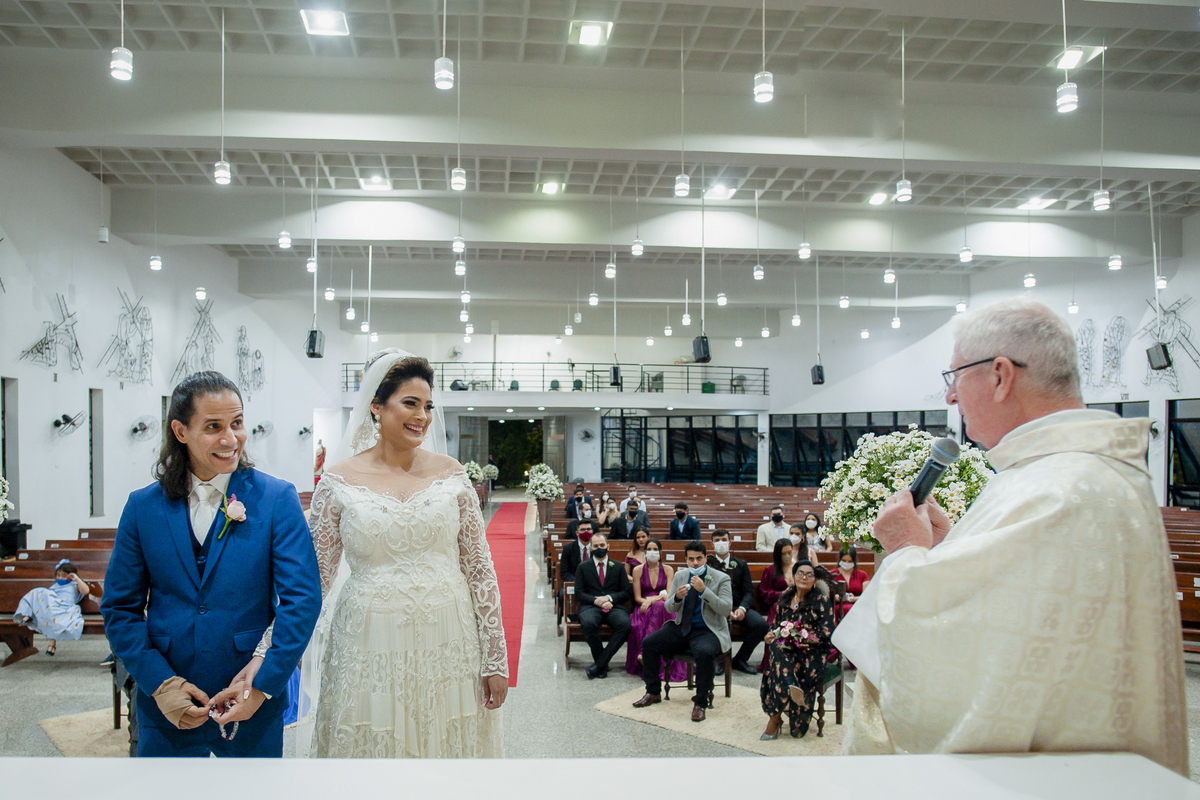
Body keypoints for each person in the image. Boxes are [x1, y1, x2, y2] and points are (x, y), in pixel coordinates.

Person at [835, 298, 1187, 775]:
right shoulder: (1070, 475)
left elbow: (958, 671)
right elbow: (1021, 621)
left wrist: (905, 552)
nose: (950, 398)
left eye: (954, 376)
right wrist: (944, 553)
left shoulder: (1057, 488)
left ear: (1000, 375)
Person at [101, 371, 322, 758]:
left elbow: (302, 600)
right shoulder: (142, 507)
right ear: (180, 431)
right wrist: (160, 684)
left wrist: (264, 683)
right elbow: (120, 609)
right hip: (168, 705)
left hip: (248, 699)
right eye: (213, 427)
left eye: (237, 423)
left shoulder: (276, 500)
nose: (230, 439)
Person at [300, 352, 508, 757]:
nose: (422, 416)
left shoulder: (452, 475)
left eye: (428, 405)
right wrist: (267, 651)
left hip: (449, 639)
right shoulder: (338, 481)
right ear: (376, 407)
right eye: (410, 403)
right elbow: (314, 580)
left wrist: (495, 659)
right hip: (367, 643)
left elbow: (480, 571)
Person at [633, 541, 732, 723]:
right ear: (686, 559)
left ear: (705, 558)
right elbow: (670, 608)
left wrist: (705, 591)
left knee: (703, 652)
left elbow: (726, 609)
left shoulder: (721, 578)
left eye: (699, 559)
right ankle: (653, 691)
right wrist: (677, 597)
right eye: (691, 559)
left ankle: (700, 703)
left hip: (708, 630)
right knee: (649, 643)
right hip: (682, 626)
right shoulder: (680, 575)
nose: (695, 563)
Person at [759, 560, 834, 740]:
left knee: (797, 733)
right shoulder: (784, 599)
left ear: (814, 580)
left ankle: (776, 715)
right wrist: (770, 635)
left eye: (809, 575)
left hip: (811, 654)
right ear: (793, 576)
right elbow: (776, 627)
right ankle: (777, 715)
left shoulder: (821, 601)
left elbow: (826, 633)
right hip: (786, 652)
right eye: (800, 573)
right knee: (777, 647)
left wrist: (800, 636)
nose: (804, 577)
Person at [707, 529, 768, 675]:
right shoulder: (707, 565)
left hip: (738, 606)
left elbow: (748, 591)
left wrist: (742, 608)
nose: (721, 543)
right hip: (717, 607)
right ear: (712, 544)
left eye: (723, 539)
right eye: (717, 540)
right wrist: (722, 608)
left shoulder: (740, 564)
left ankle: (740, 659)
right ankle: (719, 660)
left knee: (761, 625)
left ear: (730, 542)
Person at [573, 531, 632, 680]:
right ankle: (602, 664)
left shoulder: (618, 567)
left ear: (608, 546)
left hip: (614, 606)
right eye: (596, 546)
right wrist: (596, 600)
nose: (599, 548)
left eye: (602, 545)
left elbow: (626, 592)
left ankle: (599, 664)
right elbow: (579, 593)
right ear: (591, 548)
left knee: (625, 624)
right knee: (588, 623)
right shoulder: (583, 567)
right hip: (591, 606)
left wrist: (609, 598)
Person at [625, 539, 686, 682]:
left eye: (655, 549)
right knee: (644, 619)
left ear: (660, 552)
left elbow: (669, 595)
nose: (652, 552)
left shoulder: (668, 569)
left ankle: (644, 653)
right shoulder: (638, 570)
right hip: (643, 607)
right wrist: (650, 601)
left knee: (659, 606)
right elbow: (638, 598)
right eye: (649, 549)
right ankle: (646, 655)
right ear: (645, 552)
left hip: (664, 605)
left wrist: (653, 599)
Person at [15, 559, 91, 656]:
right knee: (37, 595)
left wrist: (77, 579)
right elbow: (46, 600)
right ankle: (27, 615)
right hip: (53, 609)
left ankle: (51, 642)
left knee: (40, 592)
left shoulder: (74, 585)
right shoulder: (55, 587)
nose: (60, 578)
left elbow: (85, 591)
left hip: (65, 609)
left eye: (63, 576)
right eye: (58, 575)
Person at [755, 538, 793, 628]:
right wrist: (782, 593)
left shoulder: (798, 567)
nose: (787, 556)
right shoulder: (770, 570)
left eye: (789, 552)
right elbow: (765, 593)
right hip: (779, 603)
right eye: (783, 554)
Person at [834, 549, 870, 618]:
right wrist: (836, 597)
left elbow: (867, 596)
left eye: (850, 561)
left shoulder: (862, 575)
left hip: (857, 605)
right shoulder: (833, 574)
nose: (846, 563)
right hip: (838, 607)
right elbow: (827, 594)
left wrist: (854, 598)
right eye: (844, 561)